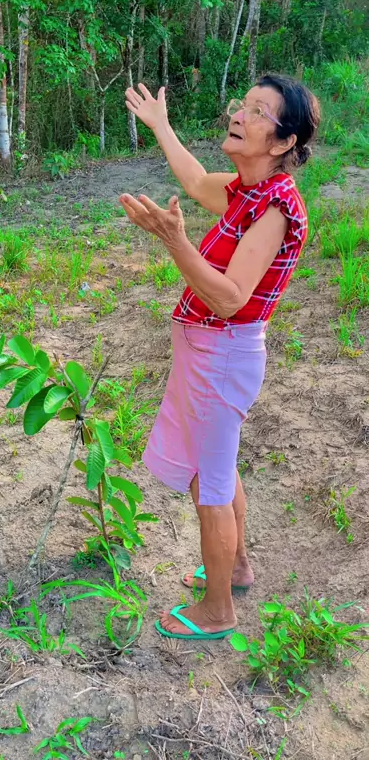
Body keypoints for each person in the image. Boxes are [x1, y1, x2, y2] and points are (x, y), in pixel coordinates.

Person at [120, 74, 320, 641]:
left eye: (258, 112)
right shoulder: (245, 192)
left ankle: (217, 610)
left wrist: (174, 240)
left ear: (282, 142)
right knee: (217, 470)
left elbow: (230, 298)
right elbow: (192, 178)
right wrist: (161, 126)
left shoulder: (276, 207)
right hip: (207, 356)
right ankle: (235, 569)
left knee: (209, 485)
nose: (239, 115)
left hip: (222, 357)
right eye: (242, 105)